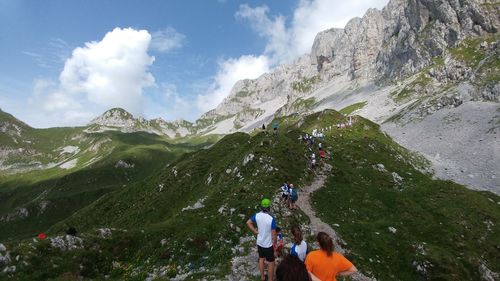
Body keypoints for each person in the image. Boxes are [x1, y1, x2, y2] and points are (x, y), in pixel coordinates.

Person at [247, 198, 278, 281]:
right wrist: (275, 245)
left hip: (259, 242)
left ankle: (262, 277)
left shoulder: (257, 215)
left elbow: (248, 222)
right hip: (268, 244)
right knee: (271, 262)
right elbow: (274, 234)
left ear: (261, 207)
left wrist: (255, 231)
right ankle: (270, 279)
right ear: (269, 207)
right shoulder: (271, 219)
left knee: (261, 258)